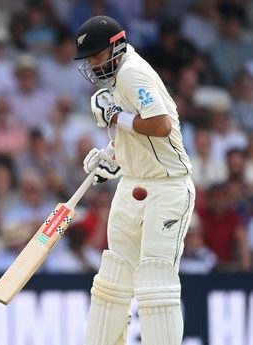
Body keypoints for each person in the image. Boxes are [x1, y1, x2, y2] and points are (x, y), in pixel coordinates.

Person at [74, 16, 195, 345]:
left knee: (156, 282)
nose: (93, 65)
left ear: (116, 46)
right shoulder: (116, 76)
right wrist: (116, 156)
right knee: (112, 281)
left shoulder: (131, 71)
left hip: (167, 186)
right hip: (133, 183)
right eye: (89, 59)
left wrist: (115, 117)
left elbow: (160, 126)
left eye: (97, 56)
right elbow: (137, 132)